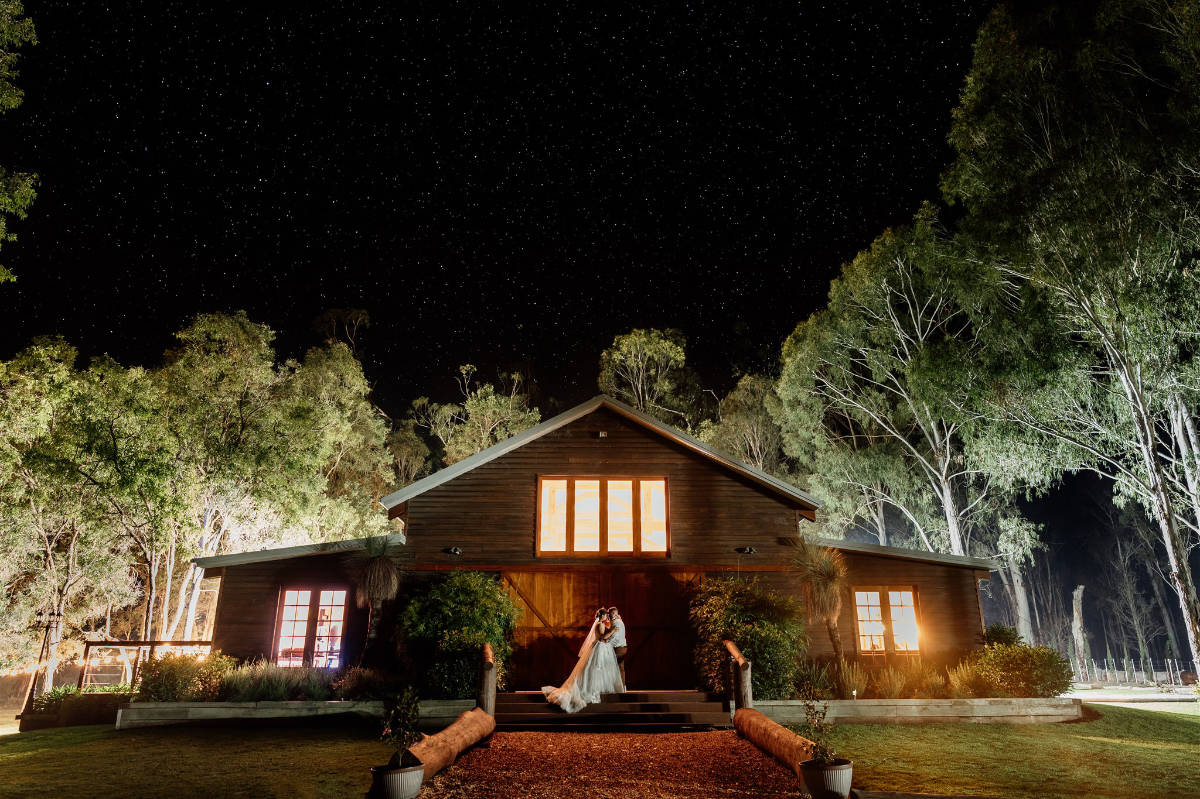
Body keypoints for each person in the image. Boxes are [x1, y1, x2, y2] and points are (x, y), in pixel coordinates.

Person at [541, 608, 625, 712]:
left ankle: (599, 690)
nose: (607, 617)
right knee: (597, 668)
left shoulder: (601, 624)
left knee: (601, 669)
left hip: (602, 648)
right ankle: (593, 691)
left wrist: (615, 622)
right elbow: (602, 638)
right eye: (606, 615)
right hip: (600, 647)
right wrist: (612, 631)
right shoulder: (600, 624)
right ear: (602, 616)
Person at [606, 606, 628, 686]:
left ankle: (618, 687)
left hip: (618, 648)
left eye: (609, 614)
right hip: (621, 647)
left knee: (614, 667)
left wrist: (605, 643)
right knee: (620, 668)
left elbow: (615, 638)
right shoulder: (617, 621)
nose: (608, 616)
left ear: (614, 613)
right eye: (607, 614)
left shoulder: (617, 622)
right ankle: (621, 687)